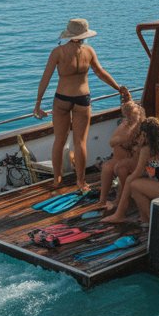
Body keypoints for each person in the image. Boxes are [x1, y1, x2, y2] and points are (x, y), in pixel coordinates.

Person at [34, 18, 123, 189]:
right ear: (84, 35)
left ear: (69, 34)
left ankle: (57, 180)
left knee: (59, 141)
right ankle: (81, 181)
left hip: (62, 98)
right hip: (83, 99)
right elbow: (100, 72)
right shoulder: (89, 51)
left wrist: (38, 103)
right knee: (80, 142)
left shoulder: (58, 52)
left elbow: (46, 77)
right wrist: (118, 88)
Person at [103, 117, 159, 226]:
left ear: (149, 136)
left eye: (143, 134)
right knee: (134, 185)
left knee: (134, 183)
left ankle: (122, 215)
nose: (141, 137)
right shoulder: (148, 149)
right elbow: (138, 172)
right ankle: (146, 219)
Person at [94, 87, 146, 211]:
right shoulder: (124, 124)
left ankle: (121, 198)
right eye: (127, 117)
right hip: (117, 158)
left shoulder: (142, 127)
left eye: (130, 117)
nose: (128, 119)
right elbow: (112, 143)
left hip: (132, 161)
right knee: (107, 168)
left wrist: (128, 143)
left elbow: (141, 147)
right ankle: (102, 200)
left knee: (121, 170)